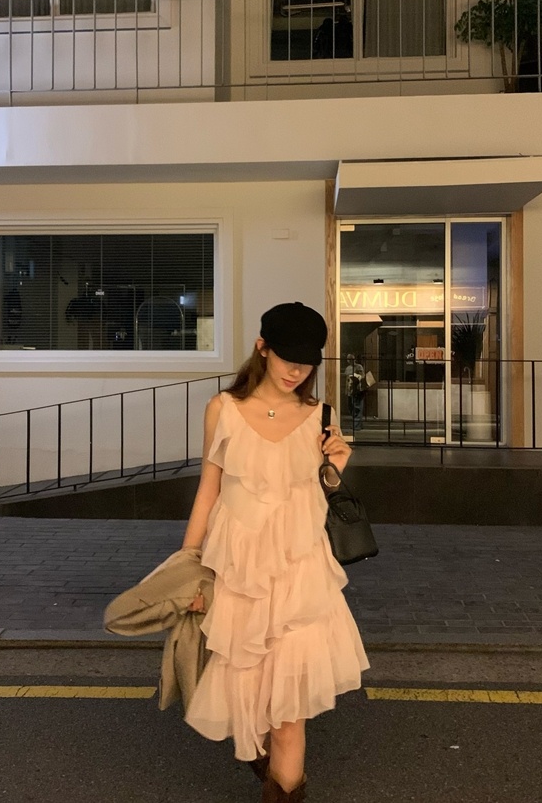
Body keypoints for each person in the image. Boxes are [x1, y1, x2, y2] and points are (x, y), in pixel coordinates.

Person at [182, 302, 369, 803]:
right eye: (288, 358)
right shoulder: (222, 409)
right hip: (239, 572)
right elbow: (208, 491)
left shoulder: (320, 416)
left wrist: (336, 468)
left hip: (299, 576)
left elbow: (321, 493)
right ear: (262, 347)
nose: (296, 372)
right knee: (253, 706)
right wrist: (189, 568)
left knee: (289, 718)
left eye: (307, 363)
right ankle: (262, 757)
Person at [344, 353, 366, 432]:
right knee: (351, 407)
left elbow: (362, 377)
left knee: (357, 407)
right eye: (349, 359)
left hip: (357, 390)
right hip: (350, 390)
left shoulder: (359, 367)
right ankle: (357, 424)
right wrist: (346, 390)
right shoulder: (348, 368)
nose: (350, 361)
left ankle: (357, 425)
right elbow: (347, 380)